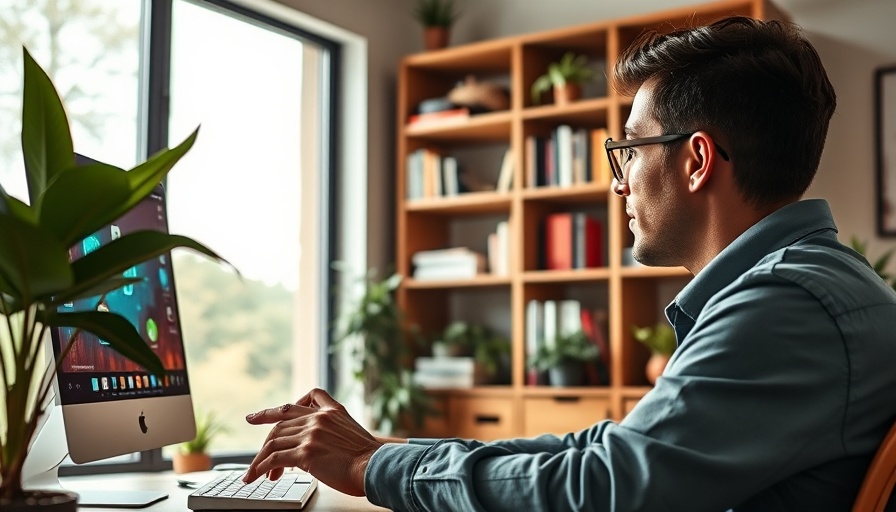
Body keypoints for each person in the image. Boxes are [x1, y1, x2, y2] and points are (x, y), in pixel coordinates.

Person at [242, 15, 896, 512]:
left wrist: (368, 470)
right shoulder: (810, 285)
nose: (619, 185)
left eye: (630, 152)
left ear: (696, 160)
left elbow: (605, 484)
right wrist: (390, 452)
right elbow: (608, 451)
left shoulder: (785, 304)